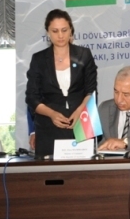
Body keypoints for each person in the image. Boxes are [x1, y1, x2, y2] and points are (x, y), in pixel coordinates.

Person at [26, 9, 98, 158]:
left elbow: (91, 91)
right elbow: (31, 97)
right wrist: (52, 114)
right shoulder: (38, 59)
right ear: (48, 33)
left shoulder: (84, 55)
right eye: (55, 31)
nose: (60, 35)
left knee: (85, 176)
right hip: (48, 126)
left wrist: (79, 112)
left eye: (64, 30)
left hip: (81, 122)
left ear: (71, 30)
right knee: (51, 177)